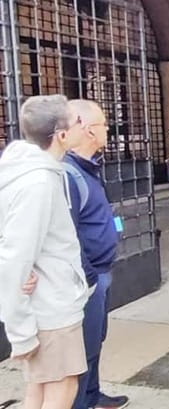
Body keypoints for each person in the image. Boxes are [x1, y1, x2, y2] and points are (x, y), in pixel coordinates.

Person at [0, 94, 89, 409]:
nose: (84, 125)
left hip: (49, 299)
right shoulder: (38, 182)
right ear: (62, 136)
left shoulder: (36, 173)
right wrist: (21, 331)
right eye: (78, 121)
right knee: (62, 388)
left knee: (40, 389)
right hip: (51, 309)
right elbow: (15, 255)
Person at [65, 100, 129, 409]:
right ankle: (81, 402)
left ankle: (92, 396)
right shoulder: (69, 175)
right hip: (87, 278)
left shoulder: (88, 169)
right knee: (83, 348)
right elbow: (67, 234)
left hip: (100, 272)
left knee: (95, 340)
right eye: (104, 124)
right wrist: (90, 277)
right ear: (89, 129)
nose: (108, 129)